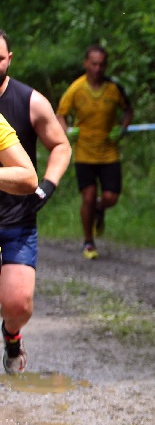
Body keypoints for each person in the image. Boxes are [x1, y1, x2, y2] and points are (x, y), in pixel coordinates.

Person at [0, 29, 73, 375]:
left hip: (17, 216)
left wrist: (47, 186)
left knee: (18, 303)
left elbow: (60, 145)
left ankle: (11, 334)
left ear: (9, 59)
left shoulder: (29, 100)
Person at [56, 43, 134, 260]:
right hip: (84, 153)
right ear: (85, 64)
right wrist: (67, 131)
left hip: (109, 153)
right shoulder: (76, 88)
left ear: (106, 65)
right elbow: (60, 114)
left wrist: (123, 127)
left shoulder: (113, 88)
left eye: (101, 64)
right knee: (88, 197)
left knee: (111, 197)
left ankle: (99, 210)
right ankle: (88, 242)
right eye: (93, 64)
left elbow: (128, 109)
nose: (98, 69)